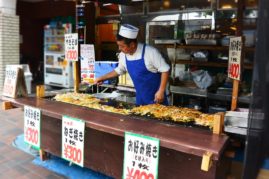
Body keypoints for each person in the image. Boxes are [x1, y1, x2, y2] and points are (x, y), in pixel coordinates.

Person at [94, 24, 170, 105]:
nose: (119, 49)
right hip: (140, 98)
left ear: (132, 45)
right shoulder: (123, 55)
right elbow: (120, 70)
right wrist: (102, 77)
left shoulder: (150, 52)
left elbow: (165, 69)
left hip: (157, 98)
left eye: (122, 46)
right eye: (118, 45)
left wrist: (161, 91)